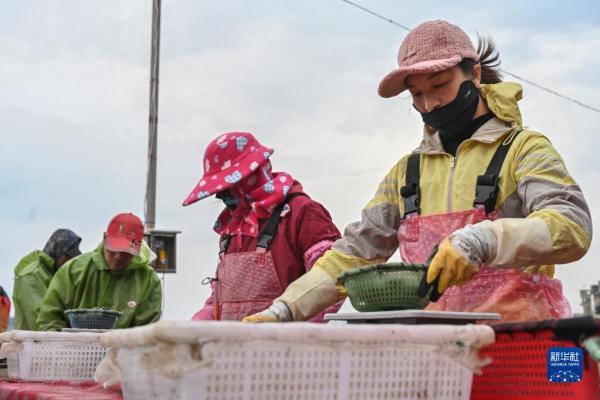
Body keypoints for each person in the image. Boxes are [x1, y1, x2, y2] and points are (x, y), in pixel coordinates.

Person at [244, 20, 592, 324]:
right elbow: (355, 252)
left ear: (474, 74)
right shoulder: (406, 173)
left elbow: (572, 227)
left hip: (523, 346)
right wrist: (286, 309)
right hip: (439, 353)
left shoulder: (524, 149)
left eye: (439, 85)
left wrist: (485, 240)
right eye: (417, 94)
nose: (429, 104)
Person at [183, 132, 342, 321]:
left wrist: (294, 333)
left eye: (226, 186)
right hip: (233, 348)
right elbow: (220, 301)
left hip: (289, 347)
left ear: (251, 175)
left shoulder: (302, 213)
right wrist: (197, 326)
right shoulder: (232, 229)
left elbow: (330, 284)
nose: (219, 196)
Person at [36, 213, 162, 331]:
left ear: (138, 248)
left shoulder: (149, 280)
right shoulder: (72, 271)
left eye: (125, 252)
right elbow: (50, 318)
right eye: (114, 248)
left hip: (124, 352)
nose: (118, 256)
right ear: (105, 238)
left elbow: (147, 332)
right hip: (71, 350)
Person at [12, 229, 82, 330]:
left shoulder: (54, 275)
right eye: (68, 256)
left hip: (49, 341)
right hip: (31, 343)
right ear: (58, 252)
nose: (69, 262)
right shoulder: (30, 275)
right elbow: (42, 320)